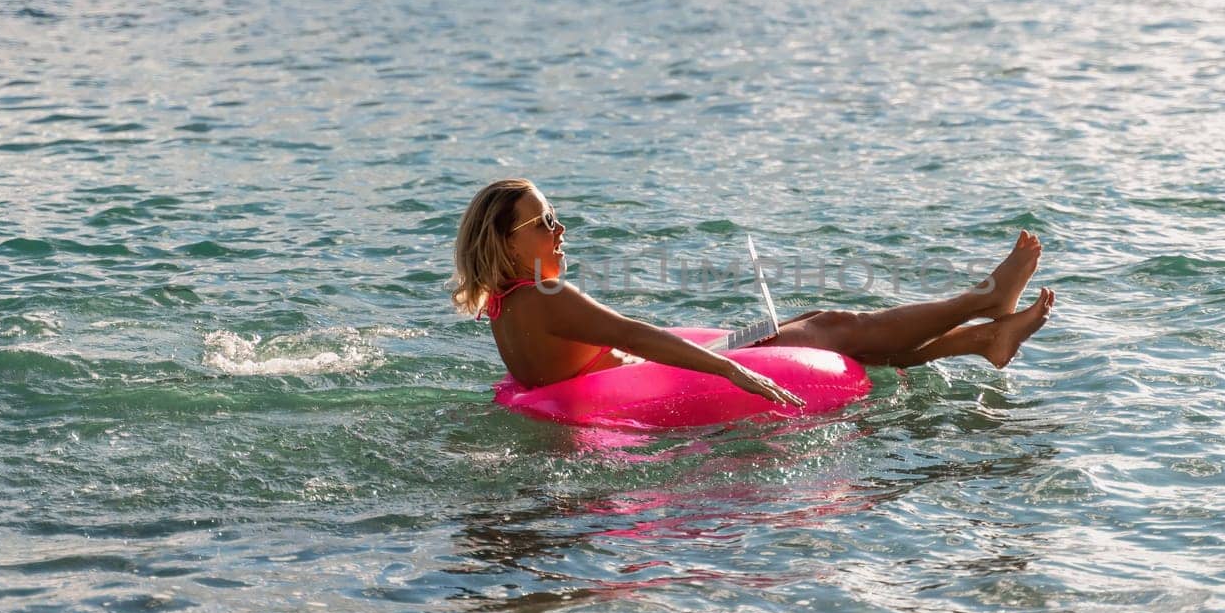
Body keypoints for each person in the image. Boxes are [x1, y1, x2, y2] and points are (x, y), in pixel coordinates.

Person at [451, 178, 1055, 407]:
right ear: (505, 245)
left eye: (556, 215)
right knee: (833, 328)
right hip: (655, 380)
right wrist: (732, 372)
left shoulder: (508, 306)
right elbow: (638, 338)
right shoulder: (550, 296)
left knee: (817, 322)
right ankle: (983, 299)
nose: (561, 230)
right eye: (543, 223)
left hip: (622, 378)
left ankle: (984, 338)